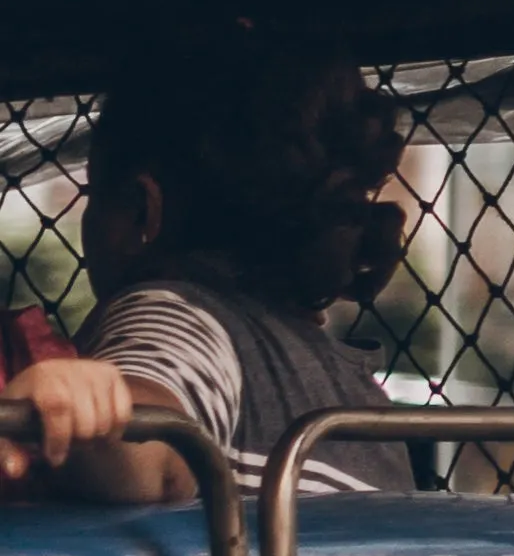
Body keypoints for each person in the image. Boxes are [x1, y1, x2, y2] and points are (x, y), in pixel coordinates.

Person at [53, 41, 416, 504]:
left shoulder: (170, 313)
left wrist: (73, 411)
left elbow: (151, 449)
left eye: (94, 196)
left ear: (145, 211)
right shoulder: (359, 395)